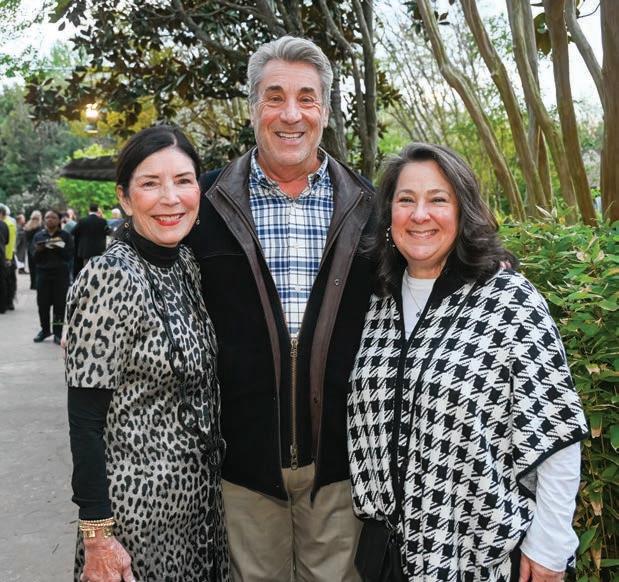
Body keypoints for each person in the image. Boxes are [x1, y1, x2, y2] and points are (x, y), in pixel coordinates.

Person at [347, 143, 589, 581]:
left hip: (480, 556)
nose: (420, 215)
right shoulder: (376, 302)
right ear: (389, 215)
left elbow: (556, 431)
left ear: (463, 212)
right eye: (406, 200)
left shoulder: (508, 300)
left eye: (438, 199)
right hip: (387, 557)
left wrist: (550, 546)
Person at [184, 36, 376, 581]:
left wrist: (492, 264)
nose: (291, 114)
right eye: (275, 97)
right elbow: (148, 260)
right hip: (243, 466)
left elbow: (432, 259)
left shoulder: (370, 207)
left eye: (306, 98)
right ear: (252, 109)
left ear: (326, 111)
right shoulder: (203, 204)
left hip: (339, 468)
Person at [65, 125, 230, 581]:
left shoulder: (186, 265)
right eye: (151, 183)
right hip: (135, 522)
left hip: (199, 512)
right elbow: (85, 421)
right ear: (125, 197)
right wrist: (98, 536)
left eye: (183, 180)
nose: (170, 198)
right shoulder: (110, 276)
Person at [32, 209, 73, 343]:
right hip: (43, 274)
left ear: (59, 220)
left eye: (53, 217)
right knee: (42, 305)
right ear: (44, 220)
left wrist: (58, 246)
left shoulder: (65, 236)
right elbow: (34, 258)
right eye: (47, 217)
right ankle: (45, 330)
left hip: (60, 274)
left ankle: (57, 332)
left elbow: (69, 256)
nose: (50, 219)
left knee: (59, 305)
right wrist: (39, 250)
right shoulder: (39, 236)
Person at [72, 203, 110, 276]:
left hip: (85, 251)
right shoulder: (103, 221)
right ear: (97, 210)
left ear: (89, 210)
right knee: (97, 272)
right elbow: (108, 232)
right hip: (99, 251)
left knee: (86, 272)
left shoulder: (82, 221)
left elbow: (73, 232)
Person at [0, 204, 17, 310]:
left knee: (7, 280)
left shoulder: (8, 223)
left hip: (6, 256)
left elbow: (9, 243)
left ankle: (8, 302)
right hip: (5, 255)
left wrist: (8, 258)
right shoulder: (8, 222)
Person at [24, 210, 43, 289]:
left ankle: (32, 284)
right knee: (37, 266)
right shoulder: (40, 226)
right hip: (37, 248)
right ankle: (37, 283)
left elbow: (26, 237)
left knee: (31, 267)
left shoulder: (28, 225)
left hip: (30, 249)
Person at [0, 212, 8, 314]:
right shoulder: (4, 224)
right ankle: (2, 306)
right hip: (1, 255)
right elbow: (7, 241)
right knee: (2, 281)